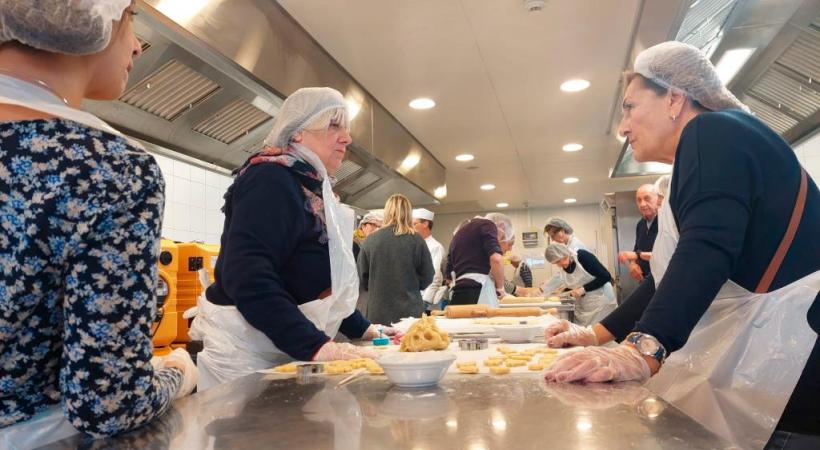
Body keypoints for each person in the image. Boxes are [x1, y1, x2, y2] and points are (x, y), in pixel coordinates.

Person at [543, 41, 820, 450]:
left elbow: (708, 247)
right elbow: (669, 277)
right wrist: (595, 335)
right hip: (771, 376)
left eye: (630, 107)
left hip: (792, 374)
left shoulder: (713, 130)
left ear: (674, 98)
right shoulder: (711, 149)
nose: (623, 127)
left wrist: (644, 349)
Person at [0, 1, 197, 444]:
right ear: (89, 18)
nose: (138, 46)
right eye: (133, 20)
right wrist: (176, 374)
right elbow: (107, 403)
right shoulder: (111, 171)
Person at [192, 87, 394, 391]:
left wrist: (363, 329)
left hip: (281, 348)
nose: (347, 138)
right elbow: (248, 278)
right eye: (333, 126)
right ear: (297, 133)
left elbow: (315, 285)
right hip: (245, 357)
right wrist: (317, 347)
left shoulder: (310, 187)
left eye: (347, 128)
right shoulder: (271, 180)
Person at [358, 195, 434, 324]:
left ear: (387, 212)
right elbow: (428, 275)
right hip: (410, 313)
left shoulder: (371, 240)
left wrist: (378, 286)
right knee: (410, 343)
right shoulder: (416, 240)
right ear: (408, 214)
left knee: (381, 344)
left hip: (378, 313)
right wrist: (412, 286)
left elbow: (363, 277)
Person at [445, 213, 515, 306]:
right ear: (500, 227)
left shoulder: (460, 233)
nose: (509, 249)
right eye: (508, 243)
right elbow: (496, 259)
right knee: (486, 320)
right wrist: (500, 289)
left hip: (458, 294)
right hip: (479, 290)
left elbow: (448, 277)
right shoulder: (488, 225)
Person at [544, 244, 616, 326]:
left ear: (566, 253)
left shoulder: (582, 256)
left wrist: (583, 289)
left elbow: (605, 276)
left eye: (562, 259)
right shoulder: (565, 269)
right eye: (557, 262)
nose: (561, 264)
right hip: (584, 305)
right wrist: (567, 291)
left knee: (601, 333)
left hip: (601, 302)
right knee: (585, 333)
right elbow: (577, 282)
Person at [618, 184, 660, 282]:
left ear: (658, 199)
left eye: (647, 198)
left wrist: (637, 255)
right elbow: (636, 249)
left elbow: (666, 255)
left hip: (664, 281)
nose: (642, 204)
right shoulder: (640, 225)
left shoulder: (666, 222)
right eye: (639, 200)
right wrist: (633, 264)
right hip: (645, 280)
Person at [540, 217, 587, 294]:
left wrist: (543, 288)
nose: (552, 239)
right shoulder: (568, 246)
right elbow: (567, 271)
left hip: (597, 294)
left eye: (552, 236)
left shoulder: (574, 247)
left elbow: (565, 273)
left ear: (561, 231)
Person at [412, 208, 445, 310]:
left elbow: (435, 277)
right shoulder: (412, 245)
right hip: (412, 298)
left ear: (425, 224)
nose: (411, 228)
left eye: (414, 224)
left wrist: (425, 301)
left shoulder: (435, 247)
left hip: (424, 301)